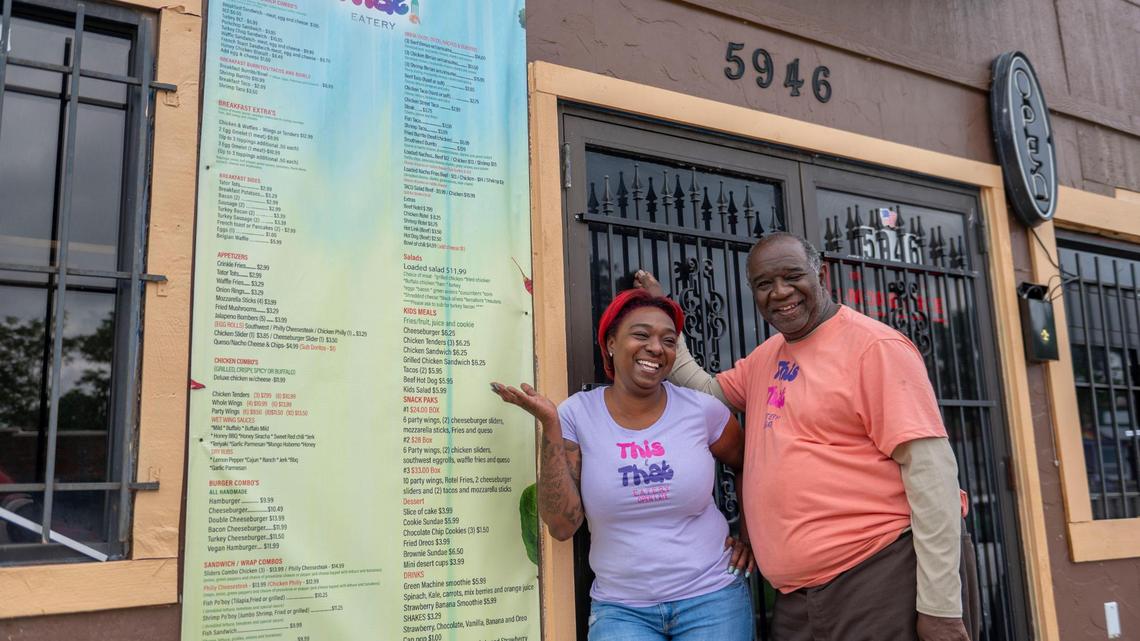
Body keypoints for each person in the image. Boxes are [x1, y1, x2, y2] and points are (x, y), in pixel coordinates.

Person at [635, 232, 976, 641]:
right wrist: (667, 323)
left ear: (822, 274)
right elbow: (708, 394)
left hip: (879, 575)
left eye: (792, 276)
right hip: (799, 599)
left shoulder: (875, 348)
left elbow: (933, 478)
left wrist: (940, 607)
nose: (779, 293)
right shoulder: (767, 356)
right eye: (764, 284)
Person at [492, 288, 755, 641]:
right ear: (611, 343)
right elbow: (561, 525)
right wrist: (551, 426)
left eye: (668, 339)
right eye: (641, 335)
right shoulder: (576, 414)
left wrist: (751, 538)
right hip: (621, 610)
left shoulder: (702, 410)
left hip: (712, 598)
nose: (656, 348)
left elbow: (750, 466)